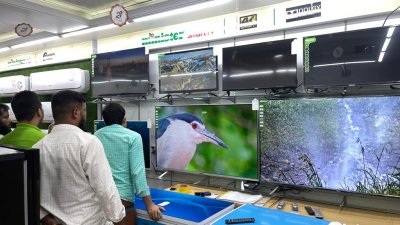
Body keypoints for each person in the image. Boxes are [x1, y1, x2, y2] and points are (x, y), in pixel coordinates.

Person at [33, 90, 126, 225]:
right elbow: (106, 189)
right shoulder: (88, 142)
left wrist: (44, 217)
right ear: (76, 112)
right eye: (85, 110)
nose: (85, 115)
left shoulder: (38, 147)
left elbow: (32, 191)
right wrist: (119, 220)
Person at [95, 103, 164, 224]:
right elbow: (137, 173)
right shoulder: (133, 137)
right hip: (122, 203)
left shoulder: (96, 136)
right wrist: (150, 205)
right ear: (124, 120)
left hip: (99, 201)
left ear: (104, 121)